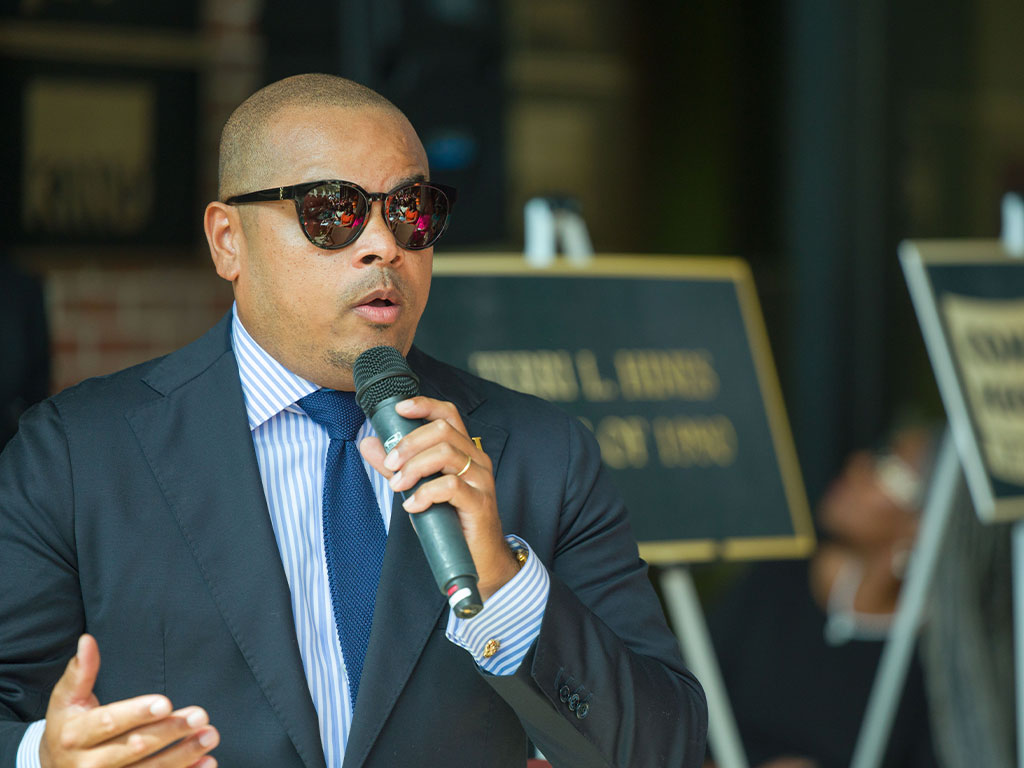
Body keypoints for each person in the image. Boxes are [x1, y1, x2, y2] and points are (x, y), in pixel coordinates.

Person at [0, 74, 707, 768]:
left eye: (412, 211)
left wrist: (502, 582)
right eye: (332, 211)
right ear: (228, 241)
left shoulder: (543, 454)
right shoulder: (78, 453)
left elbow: (664, 747)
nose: (383, 245)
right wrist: (48, 757)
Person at [705, 428, 939, 768]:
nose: (857, 465)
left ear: (920, 526)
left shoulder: (936, 662)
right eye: (875, 452)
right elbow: (675, 707)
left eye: (887, 469)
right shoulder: (778, 576)